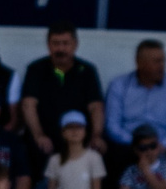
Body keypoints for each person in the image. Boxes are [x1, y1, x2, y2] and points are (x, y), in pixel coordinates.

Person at [18, 22, 103, 161]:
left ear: (75, 44)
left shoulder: (87, 71)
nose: (60, 48)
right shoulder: (36, 69)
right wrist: (39, 135)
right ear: (48, 45)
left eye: (65, 43)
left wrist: (96, 136)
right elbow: (28, 105)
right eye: (56, 43)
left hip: (78, 139)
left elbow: (96, 107)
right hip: (45, 137)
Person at [104, 40, 166, 154]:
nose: (162, 66)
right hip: (128, 147)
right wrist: (138, 144)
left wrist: (163, 145)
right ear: (139, 62)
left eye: (163, 60)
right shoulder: (119, 85)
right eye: (156, 61)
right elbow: (112, 126)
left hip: (164, 148)